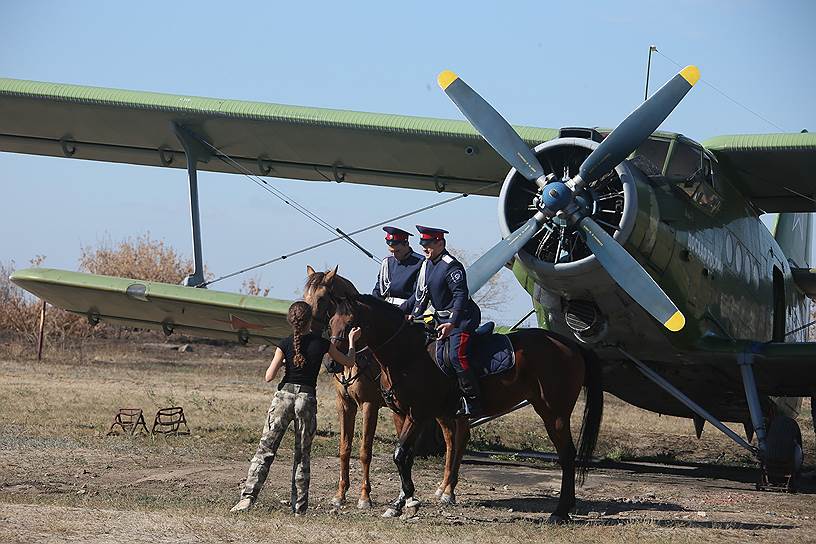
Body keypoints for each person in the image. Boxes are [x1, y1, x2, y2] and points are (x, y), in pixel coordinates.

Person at [230, 301, 361, 515]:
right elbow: (348, 362)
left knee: (265, 450)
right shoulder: (322, 344)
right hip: (306, 399)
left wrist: (283, 363)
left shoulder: (284, 344)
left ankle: (247, 498)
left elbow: (268, 377)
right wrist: (351, 341)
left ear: (291, 321)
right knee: (302, 455)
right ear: (311, 320)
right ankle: (299, 508)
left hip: (283, 398)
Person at [401, 225, 483, 417]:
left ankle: (473, 401)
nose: (424, 248)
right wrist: (414, 313)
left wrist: (452, 323)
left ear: (440, 243)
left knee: (456, 355)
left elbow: (461, 296)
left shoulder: (451, 265)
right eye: (422, 243)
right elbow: (423, 294)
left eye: (428, 244)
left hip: (462, 319)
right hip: (441, 319)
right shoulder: (429, 264)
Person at [372, 226, 424, 307]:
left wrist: (403, 309)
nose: (394, 255)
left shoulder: (420, 263)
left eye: (397, 251)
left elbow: (418, 293)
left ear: (406, 244)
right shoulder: (387, 262)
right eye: (391, 251)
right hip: (385, 307)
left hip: (406, 309)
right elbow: (379, 288)